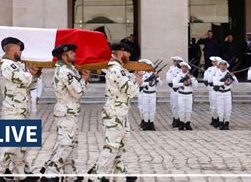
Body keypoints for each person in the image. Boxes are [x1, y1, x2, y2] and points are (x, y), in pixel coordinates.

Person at [88, 42, 142, 181]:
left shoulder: (120, 69)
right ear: (120, 52)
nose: (129, 56)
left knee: (123, 144)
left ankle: (121, 172)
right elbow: (130, 91)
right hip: (115, 113)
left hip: (121, 112)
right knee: (112, 145)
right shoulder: (116, 70)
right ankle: (97, 175)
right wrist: (138, 81)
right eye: (128, 53)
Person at [0, 37, 41, 182]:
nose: (21, 52)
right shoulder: (7, 65)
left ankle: (20, 173)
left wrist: (35, 75)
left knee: (21, 145)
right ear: (12, 49)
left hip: (21, 110)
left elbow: (29, 85)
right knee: (10, 145)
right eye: (19, 49)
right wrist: (31, 73)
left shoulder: (17, 65)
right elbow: (24, 79)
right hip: (12, 111)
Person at [41, 44, 89, 180]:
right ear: (64, 56)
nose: (74, 54)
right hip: (66, 111)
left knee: (71, 143)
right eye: (72, 52)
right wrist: (85, 81)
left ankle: (69, 173)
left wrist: (83, 79)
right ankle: (50, 172)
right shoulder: (64, 71)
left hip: (70, 110)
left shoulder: (70, 69)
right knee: (66, 143)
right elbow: (77, 91)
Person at [213, 59, 238, 130]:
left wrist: (233, 76)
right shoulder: (216, 73)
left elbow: (236, 83)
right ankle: (221, 123)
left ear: (226, 66)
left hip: (227, 93)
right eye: (221, 65)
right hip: (220, 93)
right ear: (219, 65)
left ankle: (226, 123)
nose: (223, 66)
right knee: (220, 109)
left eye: (224, 65)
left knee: (228, 109)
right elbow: (215, 83)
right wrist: (223, 83)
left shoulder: (229, 73)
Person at [173, 62, 198, 131]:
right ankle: (181, 123)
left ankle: (187, 123)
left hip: (189, 95)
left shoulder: (191, 76)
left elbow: (195, 85)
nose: (183, 68)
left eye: (185, 67)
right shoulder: (178, 75)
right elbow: (174, 84)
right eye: (182, 67)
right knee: (181, 110)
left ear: (187, 68)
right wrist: (182, 84)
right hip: (181, 94)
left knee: (188, 110)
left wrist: (191, 78)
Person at [138, 59, 162, 131]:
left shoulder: (154, 74)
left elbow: (160, 85)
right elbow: (140, 84)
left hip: (152, 94)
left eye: (150, 66)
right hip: (145, 93)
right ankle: (145, 123)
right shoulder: (143, 74)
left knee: (152, 109)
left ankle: (151, 123)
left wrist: (157, 78)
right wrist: (147, 83)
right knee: (145, 109)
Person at [166, 56, 184, 128]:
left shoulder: (184, 69)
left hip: (182, 90)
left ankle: (181, 119)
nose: (175, 63)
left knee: (181, 106)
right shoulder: (172, 69)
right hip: (174, 90)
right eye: (175, 61)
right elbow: (169, 80)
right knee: (174, 105)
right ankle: (175, 119)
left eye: (177, 61)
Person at [203, 56, 221, 127]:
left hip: (219, 89)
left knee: (219, 104)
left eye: (215, 61)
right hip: (211, 89)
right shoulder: (209, 69)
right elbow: (205, 79)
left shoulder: (221, 70)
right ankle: (214, 118)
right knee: (212, 105)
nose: (213, 62)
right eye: (213, 61)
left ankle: (219, 118)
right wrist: (209, 87)